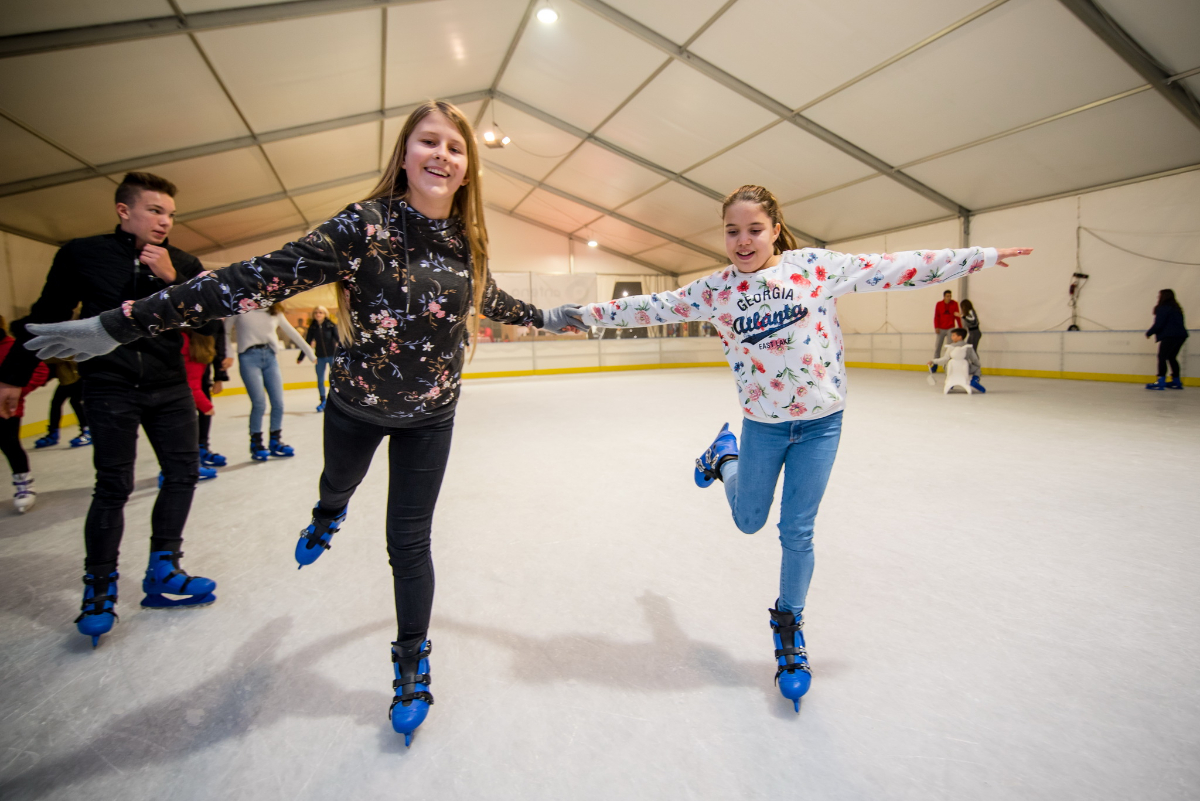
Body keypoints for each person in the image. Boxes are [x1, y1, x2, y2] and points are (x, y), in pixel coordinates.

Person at [22, 100, 584, 743]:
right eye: (429, 141)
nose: (442, 156)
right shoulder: (364, 225)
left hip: (432, 416)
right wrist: (120, 323)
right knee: (337, 485)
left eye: (455, 148)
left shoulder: (466, 240)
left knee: (410, 543)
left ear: (467, 167)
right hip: (356, 408)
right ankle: (327, 514)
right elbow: (252, 278)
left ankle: (410, 662)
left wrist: (544, 316)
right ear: (404, 154)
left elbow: (488, 295)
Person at [574, 185, 1030, 712]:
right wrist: (576, 314)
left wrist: (980, 256)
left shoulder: (814, 267)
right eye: (732, 231)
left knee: (797, 531)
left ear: (775, 229)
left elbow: (897, 267)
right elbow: (648, 307)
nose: (743, 241)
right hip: (763, 426)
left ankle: (788, 624)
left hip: (821, 425)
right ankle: (725, 456)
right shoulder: (716, 290)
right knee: (749, 521)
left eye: (754, 230)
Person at [0, 172, 217, 648]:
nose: (165, 222)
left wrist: (174, 281)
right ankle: (99, 588)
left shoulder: (182, 263)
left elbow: (208, 326)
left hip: (168, 385)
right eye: (155, 211)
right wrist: (13, 377)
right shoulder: (82, 253)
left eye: (170, 214)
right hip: (109, 385)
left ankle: (164, 569)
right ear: (124, 210)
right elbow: (47, 313)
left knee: (183, 474)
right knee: (113, 485)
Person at [226, 305, 314, 460]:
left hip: (270, 357)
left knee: (278, 403)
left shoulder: (274, 310)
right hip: (248, 357)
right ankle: (256, 443)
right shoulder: (241, 307)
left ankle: (275, 441)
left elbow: (292, 332)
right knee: (259, 403)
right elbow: (225, 331)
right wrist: (228, 354)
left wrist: (310, 353)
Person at [0, 316, 49, 512]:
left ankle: (24, 484)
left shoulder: (13, 347)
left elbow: (40, 371)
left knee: (9, 445)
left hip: (7, 410)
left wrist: (18, 390)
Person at [34, 358, 90, 449]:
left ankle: (87, 431)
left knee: (75, 402)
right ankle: (53, 434)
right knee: (56, 404)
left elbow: (67, 356)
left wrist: (39, 357)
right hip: (65, 380)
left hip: (76, 378)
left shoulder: (55, 354)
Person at [1145, 289, 1187, 390]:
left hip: (1170, 336)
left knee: (1162, 357)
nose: (1158, 297)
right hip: (1181, 335)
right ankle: (1176, 381)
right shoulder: (1176, 308)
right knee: (1172, 357)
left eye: (1159, 295)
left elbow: (1159, 323)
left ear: (1163, 297)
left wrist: (1149, 332)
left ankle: (1161, 381)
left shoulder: (1163, 308)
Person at [302, 305, 338, 412]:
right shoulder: (312, 327)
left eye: (320, 312)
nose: (318, 314)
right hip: (320, 357)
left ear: (325, 314)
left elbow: (338, 339)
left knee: (333, 378)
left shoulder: (331, 325)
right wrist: (301, 356)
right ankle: (323, 400)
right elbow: (307, 342)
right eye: (316, 312)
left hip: (331, 356)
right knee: (320, 380)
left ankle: (334, 400)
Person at [928, 328, 985, 393]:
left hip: (952, 369)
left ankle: (949, 381)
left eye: (953, 335)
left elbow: (945, 359)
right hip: (965, 368)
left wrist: (933, 361)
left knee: (946, 366)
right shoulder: (968, 347)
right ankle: (974, 380)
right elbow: (974, 359)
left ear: (960, 337)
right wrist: (978, 366)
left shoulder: (951, 347)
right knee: (977, 369)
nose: (951, 337)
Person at [932, 289, 961, 371]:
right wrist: (936, 327)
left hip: (950, 328)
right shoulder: (939, 304)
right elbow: (936, 316)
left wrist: (960, 327)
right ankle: (935, 364)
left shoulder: (954, 304)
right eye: (947, 296)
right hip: (941, 328)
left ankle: (948, 365)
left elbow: (957, 316)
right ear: (944, 297)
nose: (949, 298)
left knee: (949, 347)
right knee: (938, 347)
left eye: (950, 296)